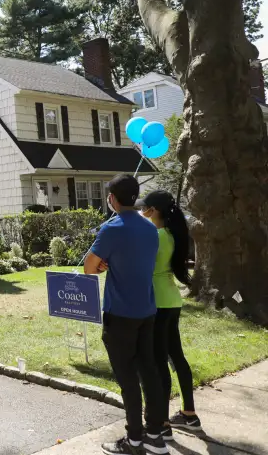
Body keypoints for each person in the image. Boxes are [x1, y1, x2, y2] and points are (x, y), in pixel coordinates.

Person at [84, 174, 167, 455]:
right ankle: (156, 436)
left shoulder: (112, 228)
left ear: (112, 199)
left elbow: (89, 267)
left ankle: (133, 440)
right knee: (150, 372)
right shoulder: (150, 228)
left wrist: (103, 263)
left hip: (120, 314)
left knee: (128, 379)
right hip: (147, 311)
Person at [136, 190, 202, 439]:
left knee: (158, 363)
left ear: (154, 211)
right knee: (177, 356)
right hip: (172, 299)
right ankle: (189, 413)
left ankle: (161, 422)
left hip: (158, 301)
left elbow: (142, 265)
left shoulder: (157, 236)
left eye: (145, 208)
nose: (142, 212)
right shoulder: (173, 234)